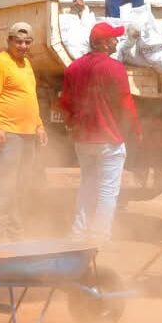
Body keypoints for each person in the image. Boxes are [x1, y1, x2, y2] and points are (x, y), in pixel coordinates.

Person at [60, 22, 141, 243]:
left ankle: (78, 233)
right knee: (108, 190)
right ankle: (99, 235)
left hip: (83, 140)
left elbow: (65, 103)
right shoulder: (114, 68)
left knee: (87, 186)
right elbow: (125, 102)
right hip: (108, 139)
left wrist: (73, 125)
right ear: (104, 44)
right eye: (113, 38)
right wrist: (135, 129)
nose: (117, 41)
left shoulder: (73, 68)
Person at [0, 22, 48, 240]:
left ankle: (15, 231)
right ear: (9, 40)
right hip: (8, 134)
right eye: (18, 41)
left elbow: (30, 98)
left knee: (21, 184)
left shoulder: (26, 64)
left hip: (27, 134)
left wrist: (39, 125)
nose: (23, 46)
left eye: (27, 42)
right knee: (4, 183)